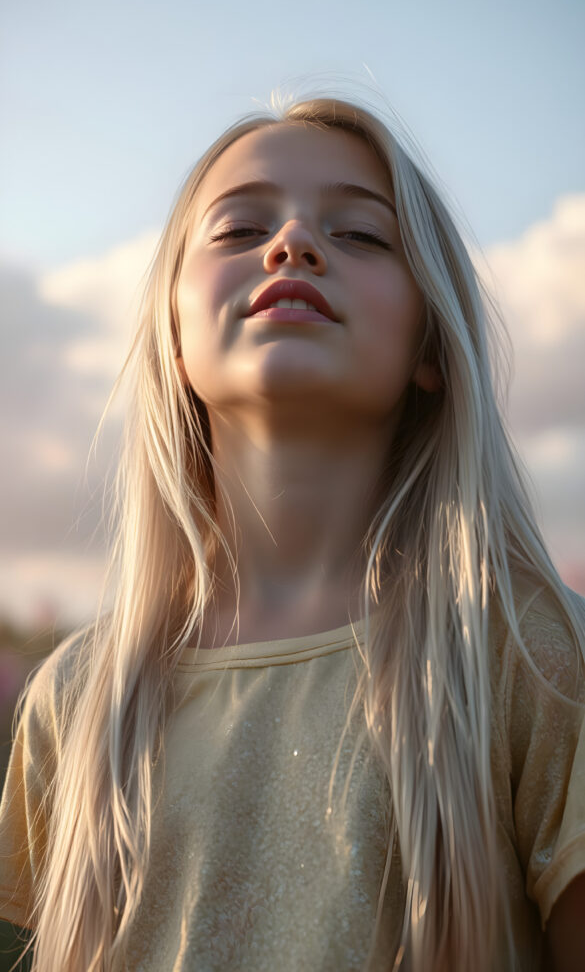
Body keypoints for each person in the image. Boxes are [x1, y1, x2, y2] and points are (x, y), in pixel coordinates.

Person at [0, 96, 584, 972]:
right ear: (172, 332)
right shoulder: (76, 700)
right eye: (238, 228)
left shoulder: (532, 658)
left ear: (430, 345)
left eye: (360, 235)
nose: (293, 244)